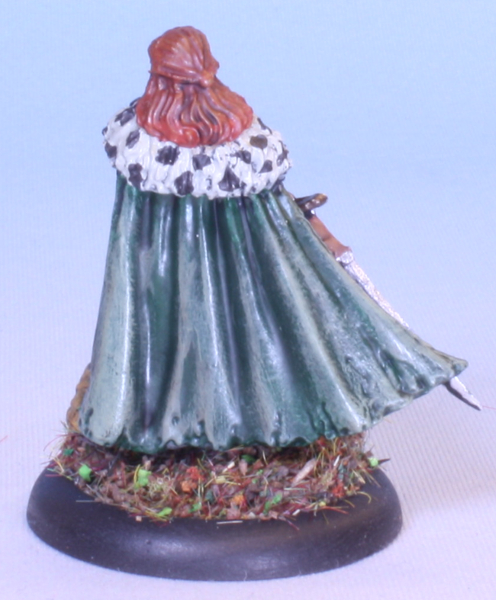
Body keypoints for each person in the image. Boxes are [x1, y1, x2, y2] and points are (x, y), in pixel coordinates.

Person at [77, 26, 467, 454]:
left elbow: (267, 209)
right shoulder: (144, 144)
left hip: (244, 278)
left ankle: (259, 413)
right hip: (165, 277)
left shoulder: (230, 138)